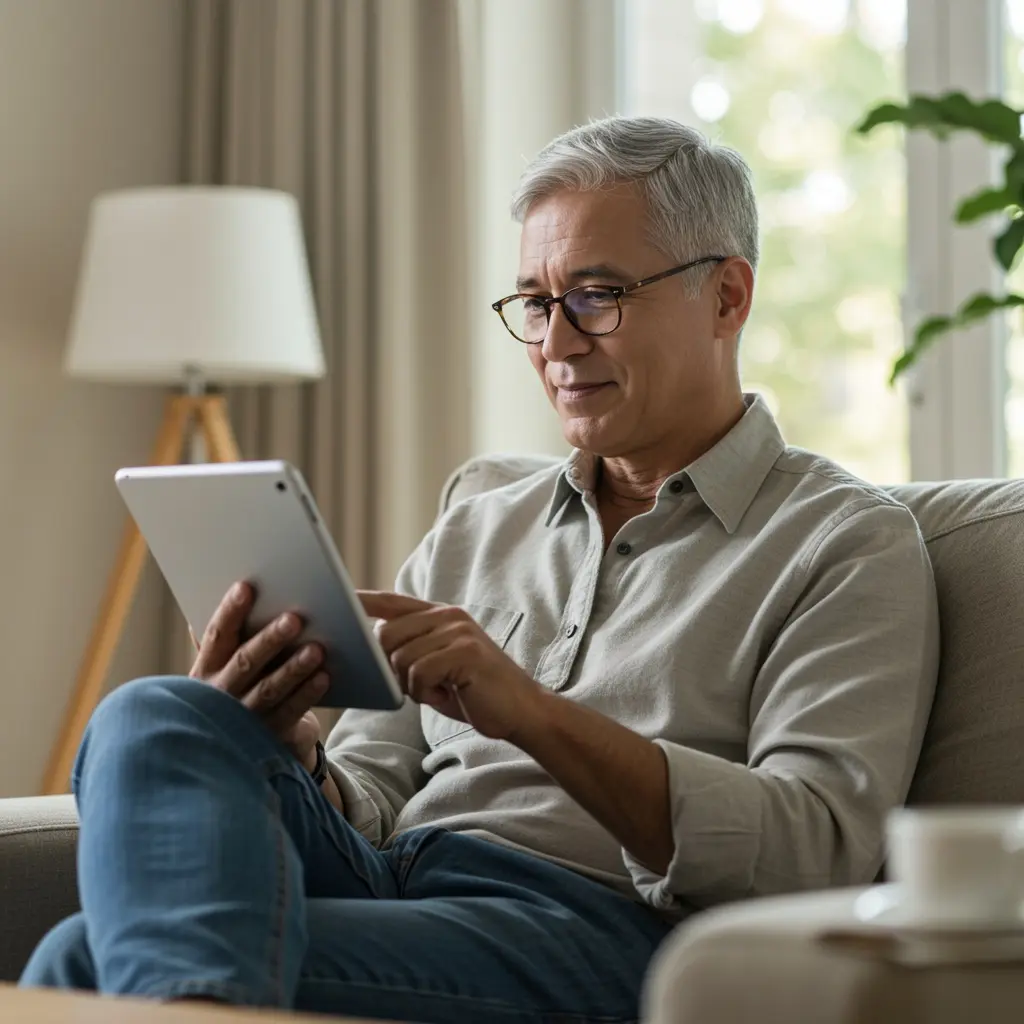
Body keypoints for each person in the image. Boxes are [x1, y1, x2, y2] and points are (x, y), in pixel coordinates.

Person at [21, 116, 939, 1022]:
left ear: (728, 296)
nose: (557, 343)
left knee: (79, 962)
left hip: (601, 928)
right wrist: (296, 743)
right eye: (536, 305)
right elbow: (374, 799)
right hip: (403, 882)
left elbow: (813, 851)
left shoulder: (844, 543)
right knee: (157, 711)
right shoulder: (480, 527)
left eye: (598, 295)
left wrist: (531, 713)